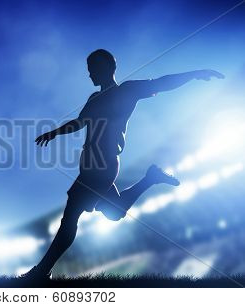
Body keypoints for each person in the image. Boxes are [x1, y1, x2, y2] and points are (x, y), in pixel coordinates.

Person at [24, 49, 224, 280]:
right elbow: (80, 123)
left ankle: (41, 272)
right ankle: (151, 178)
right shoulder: (93, 99)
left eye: (94, 70)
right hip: (90, 164)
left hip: (102, 165)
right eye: (89, 71)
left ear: (109, 68)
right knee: (114, 211)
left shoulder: (127, 91)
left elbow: (161, 82)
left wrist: (194, 74)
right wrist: (55, 133)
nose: (90, 75)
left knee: (71, 215)